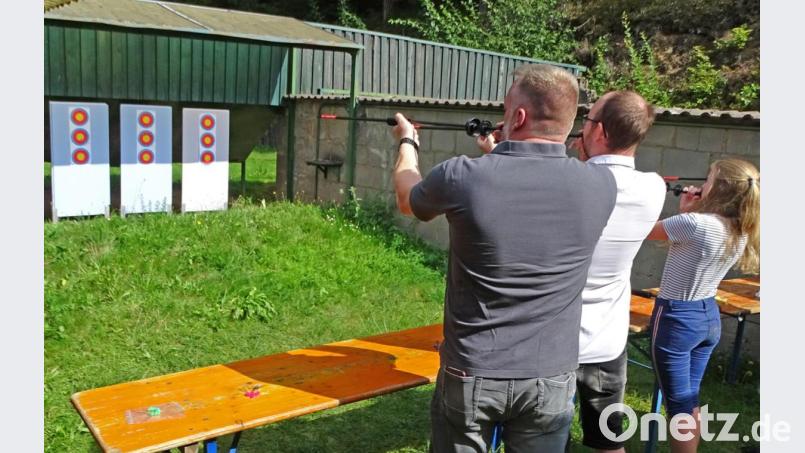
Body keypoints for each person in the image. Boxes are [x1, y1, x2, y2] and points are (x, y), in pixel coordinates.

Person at [390, 63, 618, 452]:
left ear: (520, 116)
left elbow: (407, 199)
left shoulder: (462, 176)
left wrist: (408, 143)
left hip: (473, 369)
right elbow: (533, 186)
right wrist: (505, 147)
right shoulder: (602, 184)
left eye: (507, 109)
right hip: (551, 374)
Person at [567, 90, 667, 453]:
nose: (582, 127)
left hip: (556, 340)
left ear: (600, 131)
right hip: (607, 338)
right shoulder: (653, 186)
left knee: (545, 439)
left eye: (588, 120)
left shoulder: (569, 181)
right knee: (609, 441)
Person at [645, 159, 760, 453]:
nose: (702, 184)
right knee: (688, 399)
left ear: (719, 188)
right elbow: (688, 248)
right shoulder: (739, 228)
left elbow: (640, 231)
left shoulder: (695, 224)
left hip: (677, 317)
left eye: (708, 179)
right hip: (707, 316)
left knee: (678, 407)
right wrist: (688, 209)